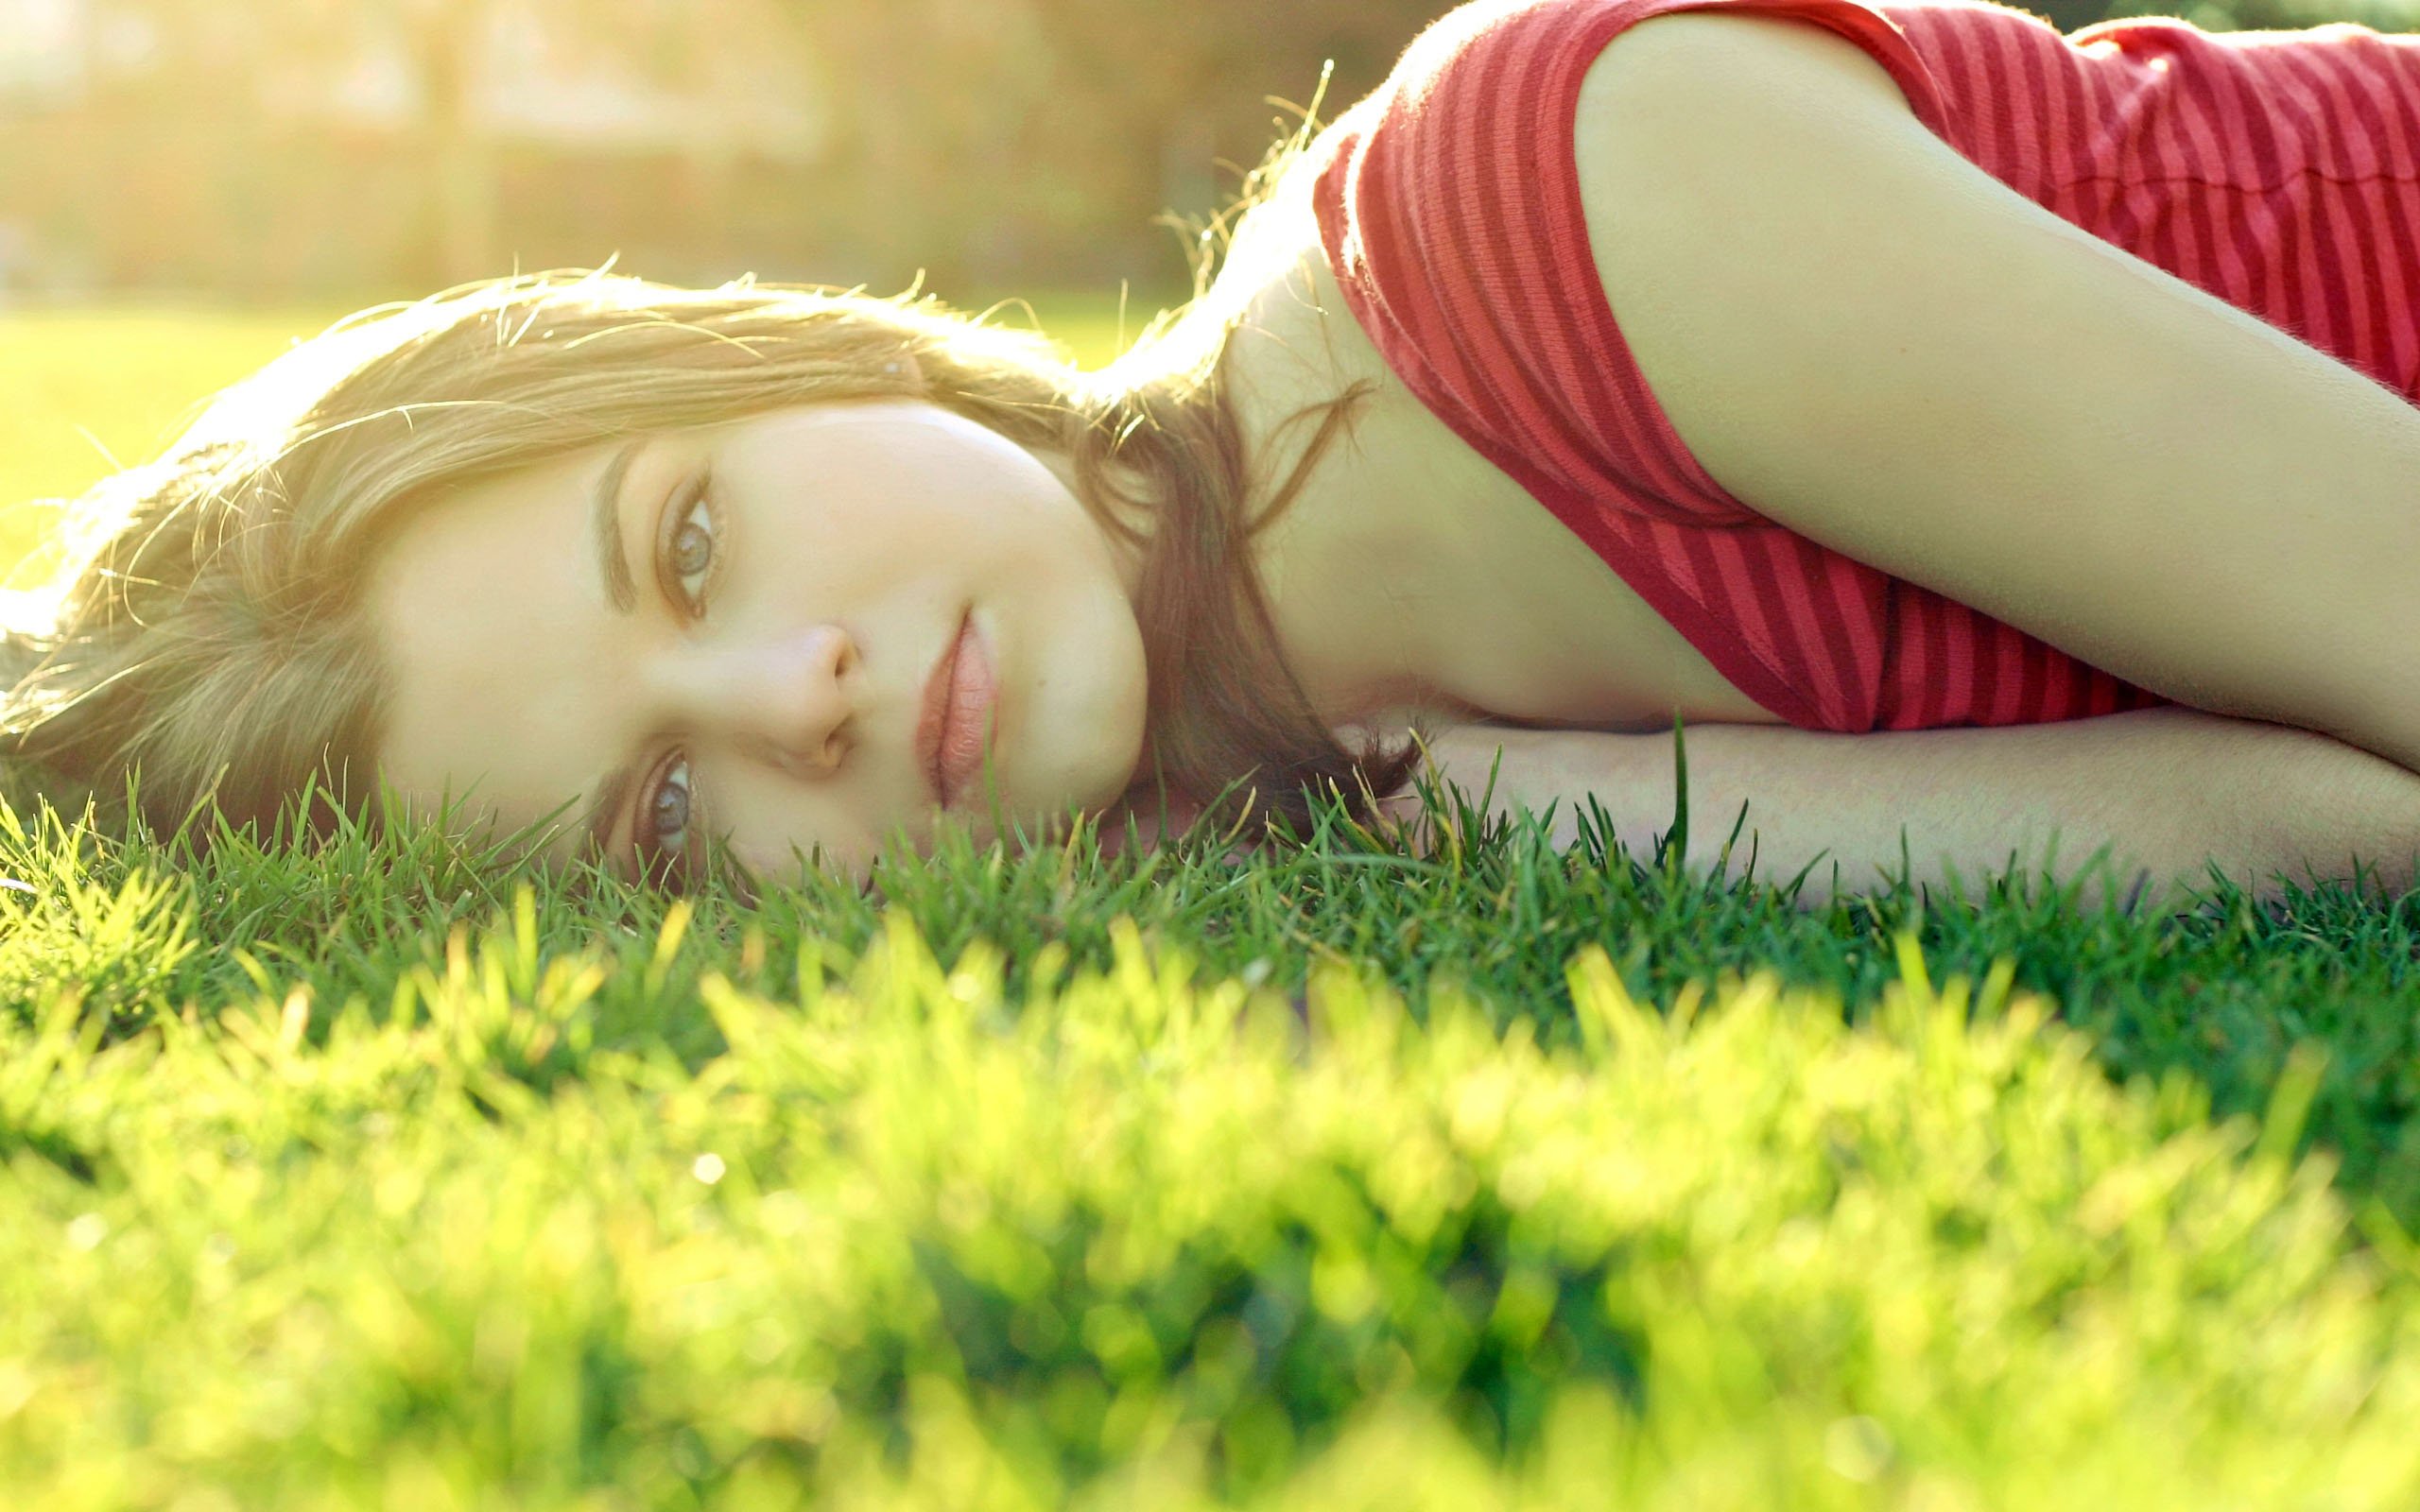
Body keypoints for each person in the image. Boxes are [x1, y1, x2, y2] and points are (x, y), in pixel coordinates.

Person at [8, 0, 2420, 911]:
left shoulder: (1559, 209)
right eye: (668, 815)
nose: (794, 700)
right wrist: (1528, 803)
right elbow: (2344, 840)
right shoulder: (1341, 788)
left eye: (696, 538)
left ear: (799, 356)